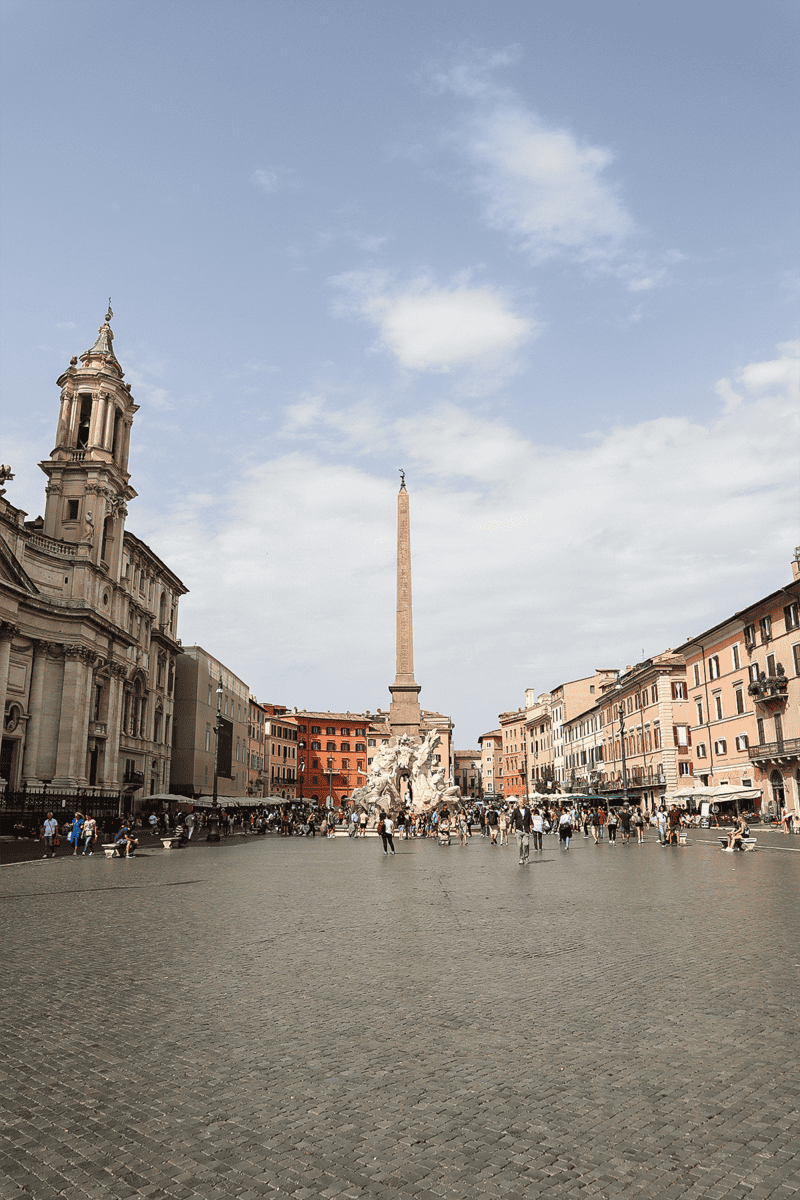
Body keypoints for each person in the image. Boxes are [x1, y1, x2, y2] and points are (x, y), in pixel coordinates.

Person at [510, 799, 531, 864]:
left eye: (524, 802)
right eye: (521, 802)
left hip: (526, 829)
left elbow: (530, 818)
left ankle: (526, 856)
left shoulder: (527, 810)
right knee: (520, 845)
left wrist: (530, 826)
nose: (523, 803)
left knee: (526, 844)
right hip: (519, 829)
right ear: (518, 803)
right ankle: (521, 858)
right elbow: (512, 819)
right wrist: (510, 827)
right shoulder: (516, 811)